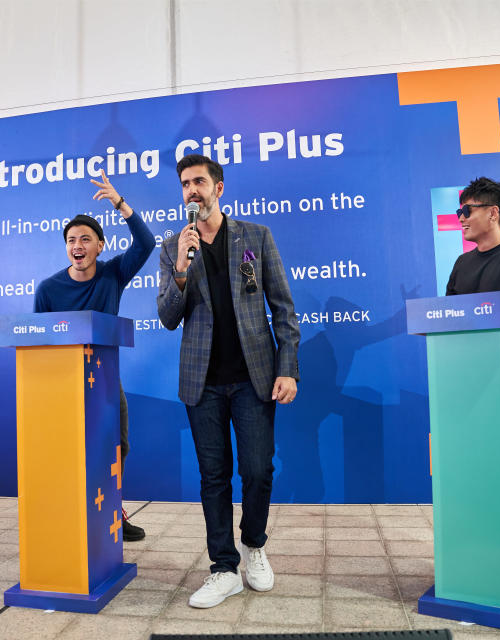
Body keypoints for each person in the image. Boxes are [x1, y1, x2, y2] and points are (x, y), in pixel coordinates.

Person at [157, 154, 300, 608]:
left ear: (220, 187)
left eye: (199, 181)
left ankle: (253, 546)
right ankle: (223, 567)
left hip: (254, 378)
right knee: (212, 478)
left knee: (257, 471)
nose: (191, 191)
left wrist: (288, 367)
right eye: (185, 184)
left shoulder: (256, 236)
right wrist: (181, 267)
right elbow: (166, 317)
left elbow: (283, 308)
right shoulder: (172, 246)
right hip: (202, 383)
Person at [34, 172, 156, 542]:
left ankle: (113, 510)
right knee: (67, 450)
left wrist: (120, 203)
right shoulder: (49, 288)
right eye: (71, 240)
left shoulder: (113, 274)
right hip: (61, 383)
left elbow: (147, 243)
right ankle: (68, 511)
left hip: (104, 379)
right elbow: (38, 343)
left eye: (85, 239)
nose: (77, 245)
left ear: (100, 246)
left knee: (117, 444)